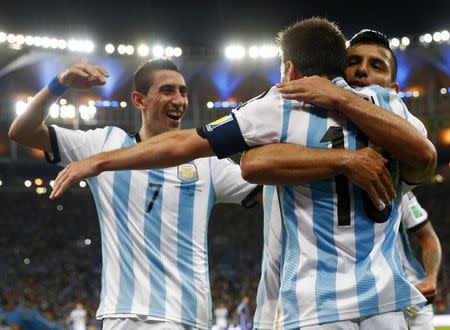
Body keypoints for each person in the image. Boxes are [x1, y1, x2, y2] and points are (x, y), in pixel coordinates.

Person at [46, 18, 437, 329]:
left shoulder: (279, 103)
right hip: (385, 298)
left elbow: (187, 144)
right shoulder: (387, 106)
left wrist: (99, 160)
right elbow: (424, 155)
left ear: (289, 68)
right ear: (341, 66)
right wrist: (346, 153)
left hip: (317, 302)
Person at [8, 58, 260, 329]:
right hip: (123, 316)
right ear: (140, 100)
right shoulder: (103, 144)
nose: (179, 100)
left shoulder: (207, 162)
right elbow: (22, 131)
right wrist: (60, 85)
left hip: (186, 318)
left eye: (183, 91)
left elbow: (266, 190)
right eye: (167, 90)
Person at [244, 28, 440, 329]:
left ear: (394, 92)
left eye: (377, 66)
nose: (362, 70)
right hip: (299, 305)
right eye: (354, 62)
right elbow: (252, 164)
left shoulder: (400, 151)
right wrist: (344, 159)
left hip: (379, 302)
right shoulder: (294, 123)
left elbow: (425, 157)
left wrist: (342, 98)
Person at [399, 192, 441, 330]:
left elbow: (428, 236)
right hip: (368, 300)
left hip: (413, 293)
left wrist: (431, 278)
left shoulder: (400, 191)